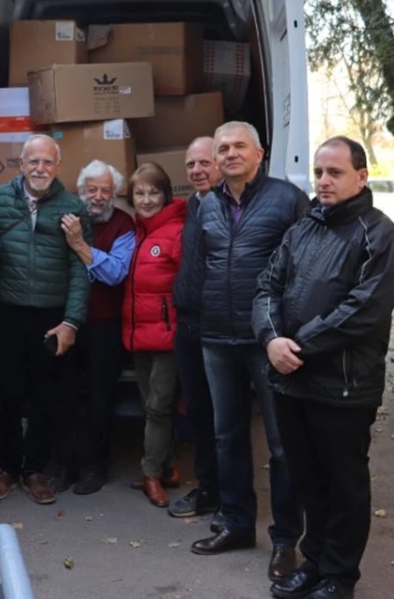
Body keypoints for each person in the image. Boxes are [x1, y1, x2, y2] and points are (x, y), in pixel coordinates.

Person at [254, 136, 394, 599]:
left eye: (335, 172)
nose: (323, 180)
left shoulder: (381, 237)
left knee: (344, 486)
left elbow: (361, 312)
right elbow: (266, 287)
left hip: (343, 387)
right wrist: (270, 339)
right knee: (307, 480)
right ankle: (316, 562)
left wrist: (296, 346)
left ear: (361, 177)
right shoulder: (302, 229)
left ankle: (340, 578)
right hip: (291, 382)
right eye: (319, 172)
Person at [193, 121, 309, 585]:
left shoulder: (286, 199)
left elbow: (305, 267)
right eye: (222, 148)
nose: (230, 154)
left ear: (260, 153)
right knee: (227, 437)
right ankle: (238, 525)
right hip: (217, 336)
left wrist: (290, 330)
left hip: (268, 339)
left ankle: (285, 541)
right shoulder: (206, 204)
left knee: (282, 445)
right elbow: (201, 264)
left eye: (239, 146)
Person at [0, 134, 92, 506]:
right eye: (34, 162)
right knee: (8, 394)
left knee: (46, 395)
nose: (40, 169)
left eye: (48, 162)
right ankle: (7, 467)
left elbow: (81, 270)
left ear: (58, 166)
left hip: (51, 314)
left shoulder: (73, 207)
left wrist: (72, 322)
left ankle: (34, 470)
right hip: (6, 312)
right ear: (21, 164)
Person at [53, 159, 135, 495]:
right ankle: (65, 465)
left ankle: (95, 466)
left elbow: (116, 272)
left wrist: (81, 248)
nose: (98, 196)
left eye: (106, 190)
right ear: (80, 190)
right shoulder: (66, 218)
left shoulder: (123, 223)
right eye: (92, 189)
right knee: (65, 396)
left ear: (115, 194)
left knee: (101, 398)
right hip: (65, 323)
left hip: (104, 324)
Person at [121, 163, 187, 507]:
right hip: (138, 335)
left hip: (166, 337)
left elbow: (188, 285)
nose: (146, 200)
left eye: (153, 192)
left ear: (166, 195)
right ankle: (168, 467)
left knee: (159, 408)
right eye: (140, 193)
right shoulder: (137, 231)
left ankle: (150, 474)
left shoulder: (175, 232)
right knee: (152, 407)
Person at [169, 136, 224, 521]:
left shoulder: (230, 206)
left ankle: (227, 497)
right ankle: (208, 489)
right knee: (200, 413)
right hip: (187, 324)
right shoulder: (194, 204)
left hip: (217, 326)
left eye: (204, 163)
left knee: (225, 417)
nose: (197, 171)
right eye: (190, 164)